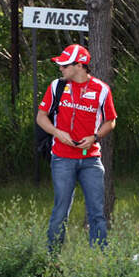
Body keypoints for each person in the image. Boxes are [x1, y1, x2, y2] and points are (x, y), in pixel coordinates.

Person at [36, 44, 117, 252]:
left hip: (91, 160)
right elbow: (41, 117)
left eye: (64, 65)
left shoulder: (101, 89)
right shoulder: (57, 86)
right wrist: (57, 133)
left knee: (97, 212)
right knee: (61, 209)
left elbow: (111, 121)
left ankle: (99, 259)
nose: (60, 68)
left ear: (79, 65)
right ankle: (52, 258)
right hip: (62, 158)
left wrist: (95, 137)